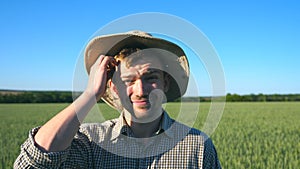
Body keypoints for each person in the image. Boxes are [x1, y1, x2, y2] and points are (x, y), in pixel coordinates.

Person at [14, 30, 221, 168]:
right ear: (112, 86)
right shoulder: (91, 142)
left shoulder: (198, 146)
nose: (140, 90)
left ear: (166, 82)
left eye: (151, 78)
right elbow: (30, 165)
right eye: (128, 80)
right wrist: (90, 94)